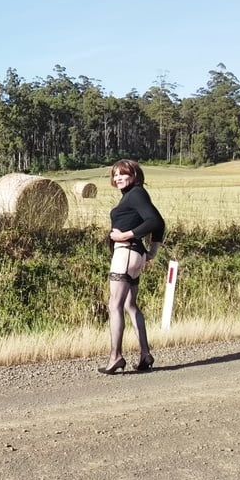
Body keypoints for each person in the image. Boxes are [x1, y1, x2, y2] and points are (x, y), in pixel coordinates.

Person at [98, 159, 165, 375]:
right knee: (130, 305)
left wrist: (125, 235)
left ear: (135, 175)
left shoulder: (136, 194)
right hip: (134, 254)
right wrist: (152, 250)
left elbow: (155, 221)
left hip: (125, 253)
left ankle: (115, 357)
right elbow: (159, 223)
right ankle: (145, 354)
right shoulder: (134, 195)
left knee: (114, 305)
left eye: (122, 173)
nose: (117, 177)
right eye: (115, 174)